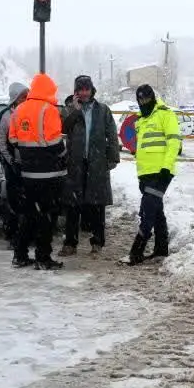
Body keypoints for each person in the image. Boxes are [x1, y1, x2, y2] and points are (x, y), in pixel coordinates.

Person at [8, 73, 68, 269]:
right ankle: (43, 257)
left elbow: (13, 140)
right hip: (49, 174)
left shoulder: (18, 110)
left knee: (29, 215)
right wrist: (64, 153)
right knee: (47, 217)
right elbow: (56, 144)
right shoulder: (49, 110)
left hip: (28, 173)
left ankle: (20, 254)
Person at [61, 75, 120, 256]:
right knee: (73, 204)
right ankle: (70, 243)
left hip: (96, 163)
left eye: (87, 89)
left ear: (92, 90)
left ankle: (97, 241)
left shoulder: (103, 110)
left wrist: (112, 159)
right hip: (75, 163)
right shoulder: (69, 109)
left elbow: (112, 134)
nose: (84, 93)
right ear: (76, 91)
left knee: (97, 204)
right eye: (81, 89)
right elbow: (64, 128)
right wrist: (76, 110)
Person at [128, 84, 182, 265]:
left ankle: (136, 251)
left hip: (160, 173)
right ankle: (161, 249)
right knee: (157, 211)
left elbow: (174, 143)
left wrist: (166, 168)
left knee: (147, 212)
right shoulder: (140, 120)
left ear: (152, 97)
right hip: (144, 174)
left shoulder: (166, 114)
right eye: (140, 99)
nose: (143, 102)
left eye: (146, 98)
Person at [0, 82, 29, 256]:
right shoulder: (4, 117)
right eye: (22, 96)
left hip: (30, 166)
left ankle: (27, 235)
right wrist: (9, 161)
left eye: (27, 96)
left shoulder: (30, 114)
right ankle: (13, 235)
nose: (25, 99)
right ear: (15, 98)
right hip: (12, 166)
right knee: (13, 201)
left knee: (29, 202)